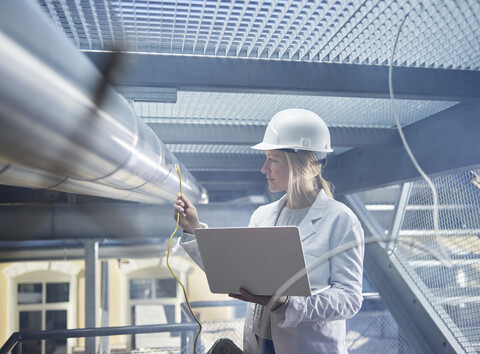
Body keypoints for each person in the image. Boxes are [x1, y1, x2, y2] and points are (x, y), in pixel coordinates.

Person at [174, 109, 364, 354]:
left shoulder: (341, 220)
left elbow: (349, 299)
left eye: (272, 159)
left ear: (302, 163)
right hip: (259, 344)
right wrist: (193, 229)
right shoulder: (262, 215)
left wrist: (289, 304)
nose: (264, 169)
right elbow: (232, 270)